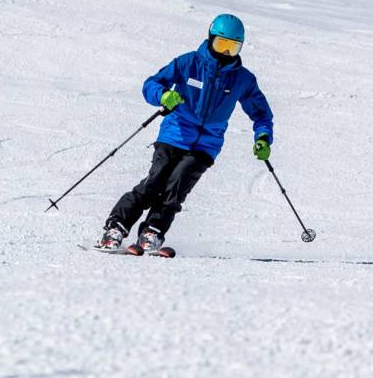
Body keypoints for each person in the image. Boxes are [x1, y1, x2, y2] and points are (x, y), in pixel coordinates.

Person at [97, 14, 274, 251]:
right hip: (174, 134)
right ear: (210, 39)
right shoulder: (188, 63)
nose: (225, 53)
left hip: (206, 145)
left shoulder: (242, 79)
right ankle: (116, 227)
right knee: (154, 183)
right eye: (222, 45)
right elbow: (152, 83)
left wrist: (262, 137)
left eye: (233, 48)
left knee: (177, 187)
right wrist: (163, 95)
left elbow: (261, 113)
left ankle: (152, 231)